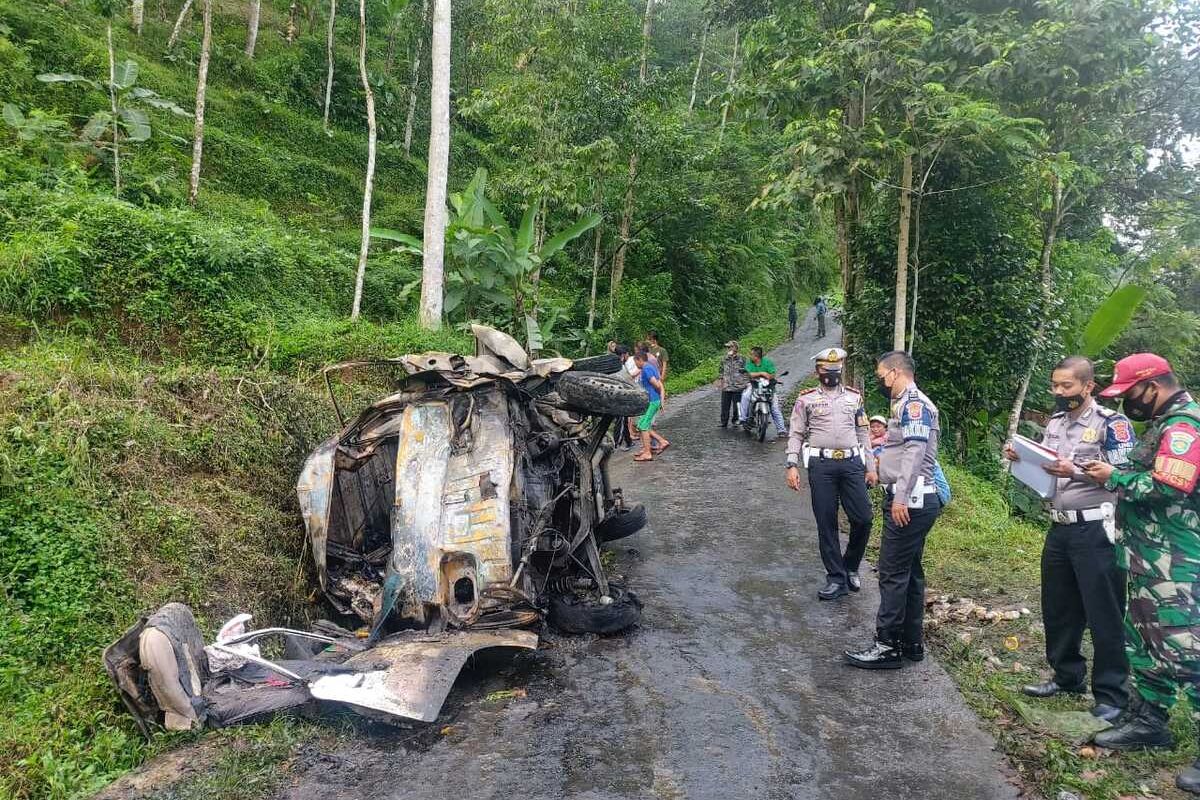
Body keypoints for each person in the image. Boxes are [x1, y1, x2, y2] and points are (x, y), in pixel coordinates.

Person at [1082, 354, 1200, 794]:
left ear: (1152, 386)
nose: (1126, 403)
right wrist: (1110, 472)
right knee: (1145, 645)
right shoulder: (1161, 425)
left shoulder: (1185, 427)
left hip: (1177, 563)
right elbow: (1142, 471)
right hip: (1145, 558)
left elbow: (1171, 484)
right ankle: (1150, 722)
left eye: (1128, 394)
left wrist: (1116, 477)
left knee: (1187, 652)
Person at [1002, 356, 1133, 723]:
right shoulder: (1056, 424)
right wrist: (1020, 460)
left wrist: (1072, 470)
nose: (1059, 393)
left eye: (1067, 387)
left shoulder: (1112, 424)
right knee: (1059, 607)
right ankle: (1067, 676)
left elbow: (1124, 476)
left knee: (1103, 611)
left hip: (1096, 529)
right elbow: (1047, 473)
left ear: (1088, 386)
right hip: (1059, 527)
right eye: (1055, 386)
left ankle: (1111, 695)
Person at [845, 350, 942, 669]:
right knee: (910, 572)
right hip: (915, 498)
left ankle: (887, 645)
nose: (880, 381)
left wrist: (900, 497)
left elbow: (914, 452)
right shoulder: (908, 404)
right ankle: (912, 642)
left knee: (891, 572)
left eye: (881, 376)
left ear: (896, 373)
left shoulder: (914, 404)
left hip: (910, 501)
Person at [786, 347, 875, 600]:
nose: (832, 375)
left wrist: (871, 466)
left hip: (851, 465)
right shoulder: (806, 399)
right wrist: (791, 464)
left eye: (836, 371)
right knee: (826, 522)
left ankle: (850, 566)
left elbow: (863, 433)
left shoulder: (855, 399)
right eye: (827, 370)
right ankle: (836, 578)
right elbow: (796, 433)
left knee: (864, 518)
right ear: (818, 371)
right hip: (821, 465)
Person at [739, 346, 787, 438]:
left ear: (756, 356)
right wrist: (762, 373)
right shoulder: (750, 363)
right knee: (745, 396)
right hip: (754, 386)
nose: (749, 356)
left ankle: (781, 430)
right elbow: (749, 374)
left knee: (775, 408)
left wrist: (767, 376)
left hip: (769, 388)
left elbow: (772, 374)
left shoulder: (768, 362)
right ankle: (743, 418)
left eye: (751, 354)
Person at [633, 349, 670, 462]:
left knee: (643, 426)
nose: (635, 365)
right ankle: (660, 442)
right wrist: (662, 400)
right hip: (654, 401)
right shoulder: (650, 367)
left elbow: (657, 384)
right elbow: (660, 384)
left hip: (652, 401)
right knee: (642, 424)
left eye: (635, 362)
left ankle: (647, 453)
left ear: (639, 360)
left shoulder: (646, 369)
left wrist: (659, 398)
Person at [719, 340, 749, 428]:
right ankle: (723, 422)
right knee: (724, 406)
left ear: (735, 348)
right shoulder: (724, 359)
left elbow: (747, 371)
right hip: (726, 386)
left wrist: (746, 382)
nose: (728, 349)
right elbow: (721, 370)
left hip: (738, 386)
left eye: (730, 347)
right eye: (727, 347)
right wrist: (721, 379)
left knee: (737, 406)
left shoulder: (742, 359)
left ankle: (736, 420)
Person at [612, 345, 636, 450]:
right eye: (626, 354)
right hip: (620, 397)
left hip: (616, 395)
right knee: (621, 421)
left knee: (623, 421)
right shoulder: (619, 366)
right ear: (623, 355)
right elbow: (628, 379)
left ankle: (628, 441)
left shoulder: (615, 364)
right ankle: (617, 444)